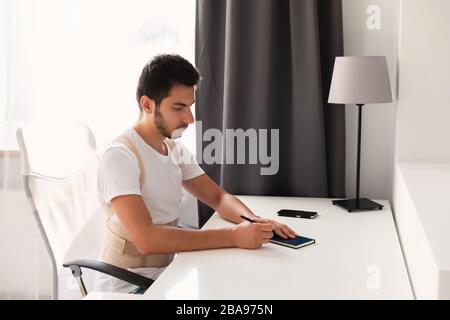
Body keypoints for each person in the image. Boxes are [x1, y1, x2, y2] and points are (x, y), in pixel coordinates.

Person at [95, 54, 297, 293]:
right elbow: (146, 239)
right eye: (178, 107)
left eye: (190, 106)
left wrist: (254, 221)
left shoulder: (175, 150)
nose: (189, 118)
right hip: (129, 287)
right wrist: (234, 236)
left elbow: (218, 198)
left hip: (170, 275)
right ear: (147, 104)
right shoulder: (120, 156)